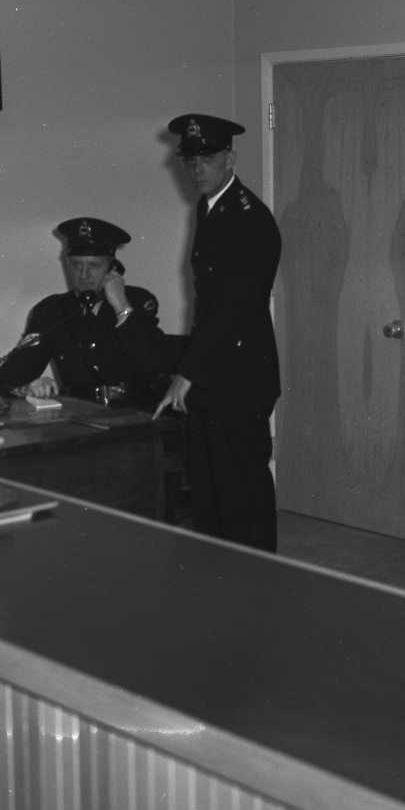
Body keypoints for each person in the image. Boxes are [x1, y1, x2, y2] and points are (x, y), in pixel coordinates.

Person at [154, 114, 281, 552]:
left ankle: (258, 582)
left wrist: (187, 372)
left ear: (230, 157)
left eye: (206, 159)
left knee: (242, 493)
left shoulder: (249, 217)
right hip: (213, 371)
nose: (196, 169)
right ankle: (218, 580)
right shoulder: (209, 208)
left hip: (240, 374)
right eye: (189, 161)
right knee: (210, 492)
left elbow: (234, 308)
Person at [0, 217, 172, 410]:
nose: (84, 275)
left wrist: (121, 306)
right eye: (76, 265)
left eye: (94, 266)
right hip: (79, 413)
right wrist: (28, 386)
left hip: (137, 414)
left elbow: (152, 363)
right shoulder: (52, 310)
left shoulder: (137, 301)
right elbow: (7, 378)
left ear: (112, 268)